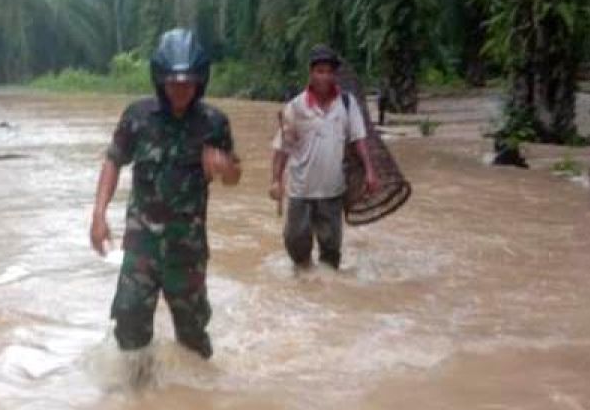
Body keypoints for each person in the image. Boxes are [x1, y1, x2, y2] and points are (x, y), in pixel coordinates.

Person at [89, 29, 241, 362]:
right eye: (173, 82)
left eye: (187, 83)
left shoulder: (214, 123)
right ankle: (138, 393)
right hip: (141, 244)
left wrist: (224, 166)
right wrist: (99, 215)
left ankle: (198, 404)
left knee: (192, 333)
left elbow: (234, 177)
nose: (180, 90)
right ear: (159, 79)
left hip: (187, 249)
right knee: (128, 319)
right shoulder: (137, 117)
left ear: (200, 80)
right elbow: (113, 161)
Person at [270, 45, 380, 270]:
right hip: (301, 189)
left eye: (329, 71)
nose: (325, 76)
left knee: (331, 251)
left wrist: (370, 171)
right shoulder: (295, 107)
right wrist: (275, 180)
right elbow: (282, 148)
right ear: (311, 73)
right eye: (320, 71)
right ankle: (305, 284)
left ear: (334, 75)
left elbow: (359, 140)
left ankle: (328, 291)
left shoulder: (347, 104)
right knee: (295, 244)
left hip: (332, 190)